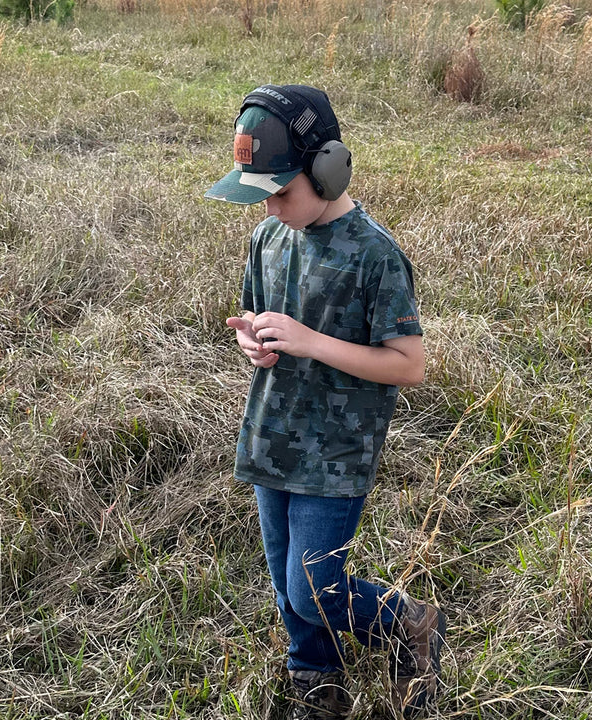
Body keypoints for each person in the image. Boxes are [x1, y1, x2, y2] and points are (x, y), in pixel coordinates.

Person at [205, 84, 446, 719]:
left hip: (336, 452)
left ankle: (411, 622)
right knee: (287, 579)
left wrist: (312, 342)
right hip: (271, 435)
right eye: (262, 195)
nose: (272, 207)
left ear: (328, 168)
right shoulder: (268, 239)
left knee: (315, 588)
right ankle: (315, 674)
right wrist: (255, 346)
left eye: (283, 191)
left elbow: (410, 364)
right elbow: (262, 323)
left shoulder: (375, 255)